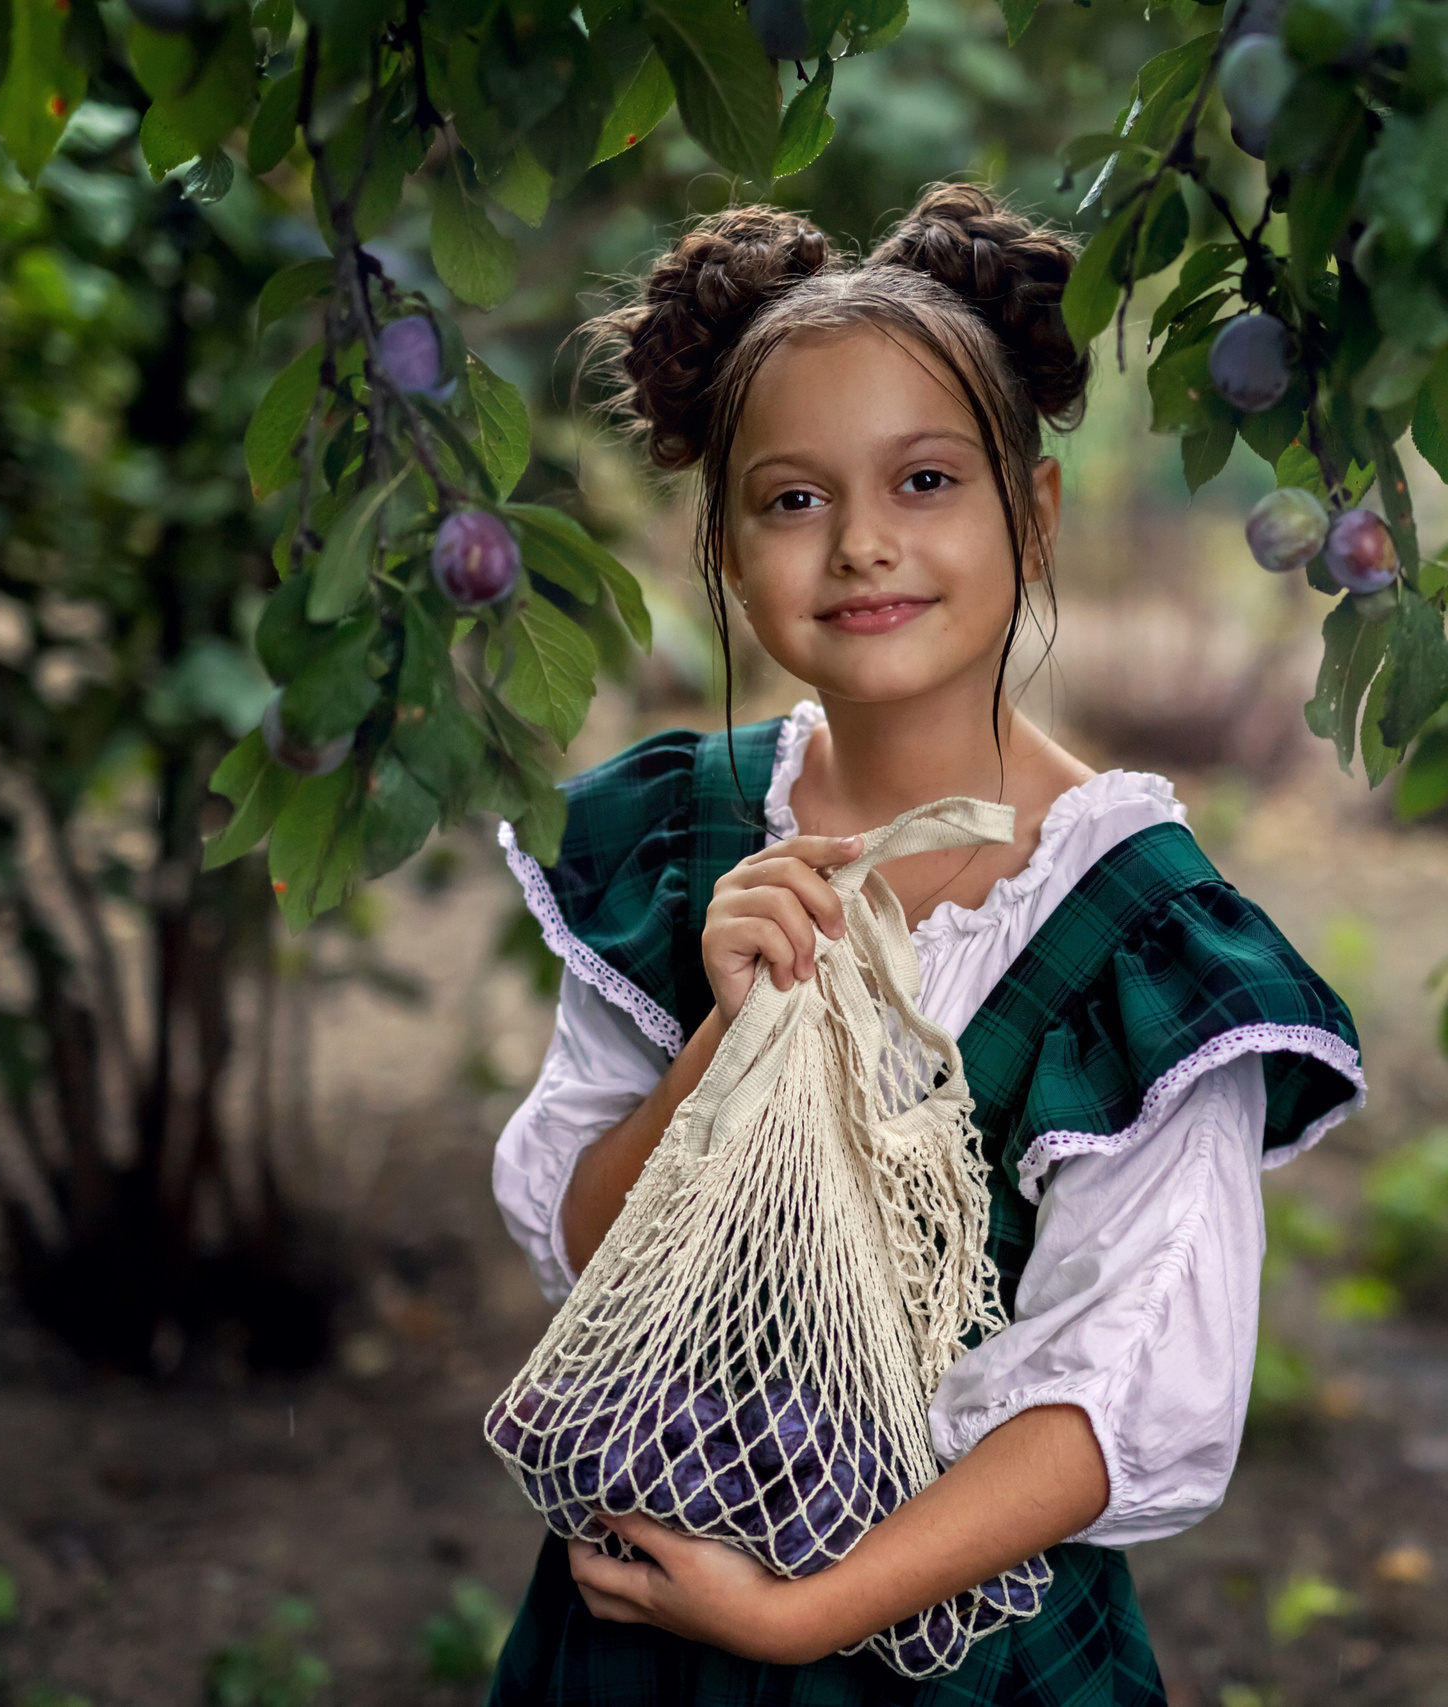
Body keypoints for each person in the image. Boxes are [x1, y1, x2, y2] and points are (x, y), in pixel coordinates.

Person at [482, 182, 1365, 1705]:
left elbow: (1116, 1401)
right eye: (795, 499)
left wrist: (789, 1620)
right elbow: (576, 1245)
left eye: (928, 481)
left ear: (1032, 513)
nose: (863, 548)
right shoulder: (686, 839)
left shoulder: (1137, 938)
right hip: (634, 1636)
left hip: (960, 1661)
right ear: (730, 538)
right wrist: (718, 1036)